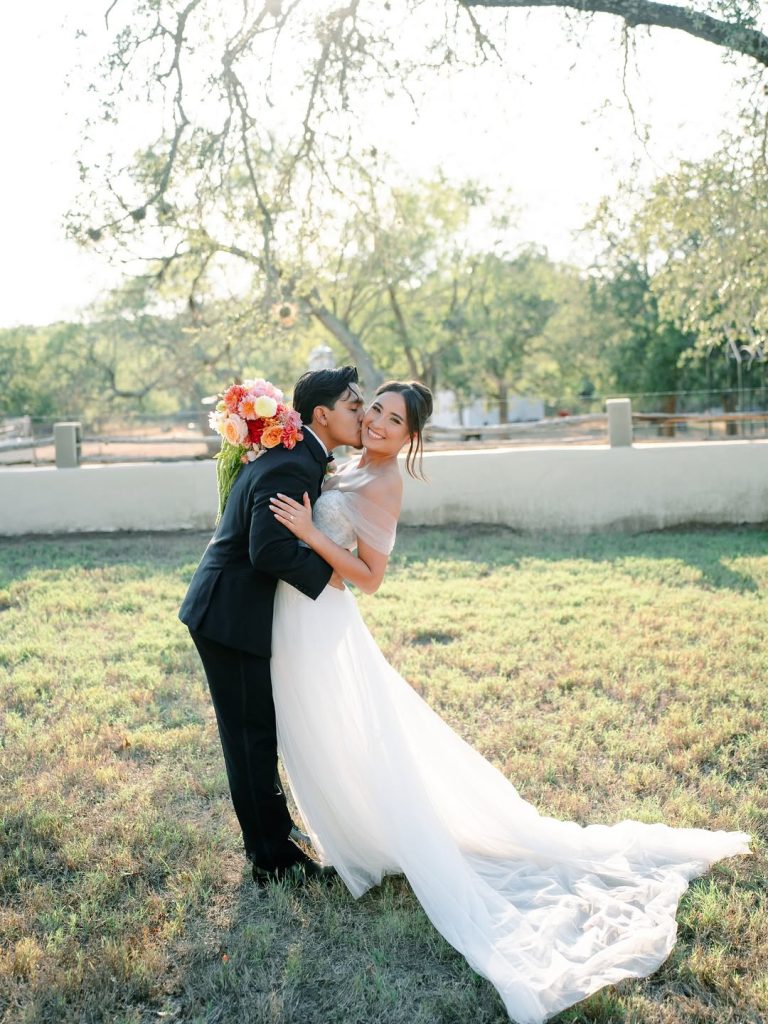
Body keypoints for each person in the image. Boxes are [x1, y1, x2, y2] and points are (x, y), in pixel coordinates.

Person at [268, 379, 752, 1024]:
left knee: (353, 727)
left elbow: (371, 578)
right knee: (329, 729)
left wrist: (310, 531)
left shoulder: (384, 483)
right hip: (301, 611)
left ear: (412, 437)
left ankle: (380, 834)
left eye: (394, 420)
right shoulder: (347, 463)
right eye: (376, 410)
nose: (378, 423)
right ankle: (360, 831)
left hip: (327, 612)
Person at [179, 366, 365, 884]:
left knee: (256, 729)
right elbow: (267, 550)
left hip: (234, 608)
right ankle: (272, 859)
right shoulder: (291, 463)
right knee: (250, 736)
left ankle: (273, 837)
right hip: (229, 614)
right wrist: (332, 575)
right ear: (322, 415)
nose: (363, 415)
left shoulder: (298, 455)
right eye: (354, 406)